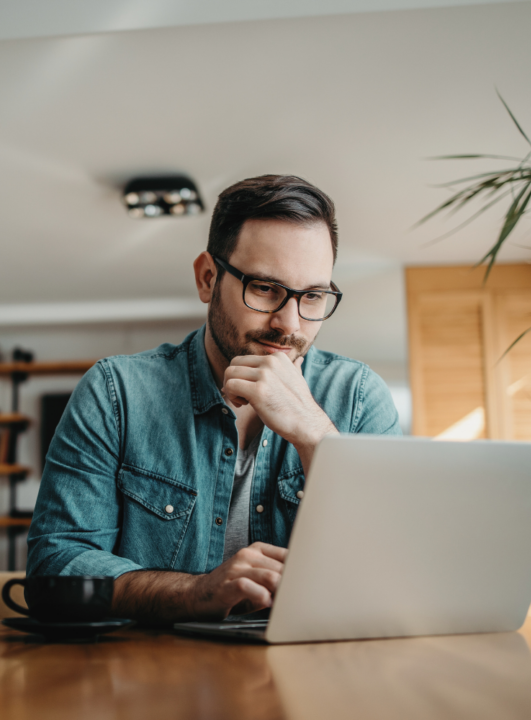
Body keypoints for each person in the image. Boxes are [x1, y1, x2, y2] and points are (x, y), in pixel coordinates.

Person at [27, 175, 401, 623]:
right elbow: (56, 567)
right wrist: (195, 593)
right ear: (208, 278)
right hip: (149, 678)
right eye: (264, 288)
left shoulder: (359, 398)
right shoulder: (115, 393)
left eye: (313, 296)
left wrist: (316, 437)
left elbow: (397, 574)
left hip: (312, 676)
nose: (290, 323)